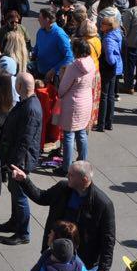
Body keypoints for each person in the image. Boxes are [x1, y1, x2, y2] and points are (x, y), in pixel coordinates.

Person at [9, 161, 115, 271]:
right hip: (56, 255)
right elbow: (41, 197)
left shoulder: (103, 204)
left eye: (71, 175)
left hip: (85, 263)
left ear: (84, 179)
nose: (67, 176)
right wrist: (25, 180)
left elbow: (108, 243)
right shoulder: (63, 188)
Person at [0, 73, 42, 246]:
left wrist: (15, 164)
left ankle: (23, 232)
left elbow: (25, 140)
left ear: (20, 87)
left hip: (21, 161)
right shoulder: (28, 103)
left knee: (20, 195)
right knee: (16, 193)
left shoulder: (30, 108)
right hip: (18, 158)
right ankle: (15, 222)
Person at [56, 39, 96, 175]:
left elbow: (62, 89)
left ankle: (65, 168)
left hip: (72, 104)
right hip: (86, 101)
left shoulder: (73, 67)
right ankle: (82, 163)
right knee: (82, 133)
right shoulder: (91, 63)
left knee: (68, 134)